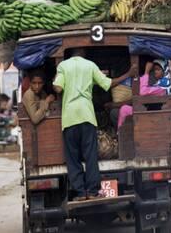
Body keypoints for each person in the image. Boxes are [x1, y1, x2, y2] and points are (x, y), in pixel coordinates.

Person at [52, 48, 137, 202]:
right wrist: (129, 74)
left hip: (69, 117)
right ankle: (92, 191)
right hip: (87, 116)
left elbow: (58, 88)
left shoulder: (63, 66)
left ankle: (79, 193)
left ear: (71, 54)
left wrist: (55, 81)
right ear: (84, 54)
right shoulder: (90, 65)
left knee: (73, 157)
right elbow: (109, 83)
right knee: (90, 155)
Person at [114, 59, 169, 129]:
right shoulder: (159, 83)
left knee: (124, 109)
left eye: (158, 70)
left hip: (153, 115)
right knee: (123, 109)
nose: (155, 72)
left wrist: (146, 72)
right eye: (154, 70)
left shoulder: (163, 85)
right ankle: (122, 133)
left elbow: (142, 92)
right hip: (150, 111)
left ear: (164, 71)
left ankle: (121, 133)